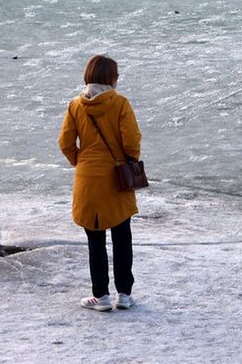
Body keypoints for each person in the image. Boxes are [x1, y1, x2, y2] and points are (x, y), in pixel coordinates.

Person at [58, 54, 142, 312]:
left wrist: (81, 162)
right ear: (111, 78)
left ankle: (101, 296)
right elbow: (131, 141)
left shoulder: (75, 105)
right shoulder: (120, 103)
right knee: (122, 237)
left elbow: (65, 142)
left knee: (95, 240)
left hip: (88, 181)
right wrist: (128, 161)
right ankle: (124, 294)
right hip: (116, 178)